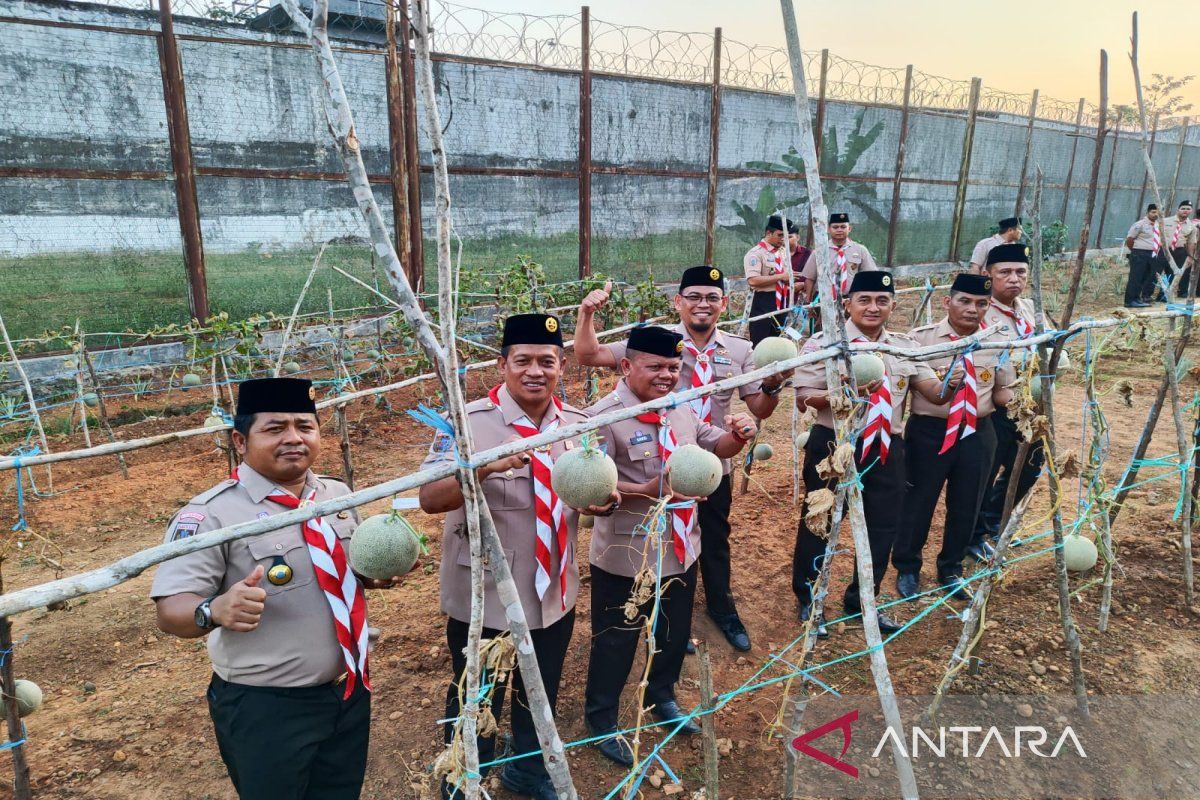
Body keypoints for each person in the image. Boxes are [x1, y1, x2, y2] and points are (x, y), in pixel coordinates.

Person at [151, 377, 403, 800]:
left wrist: (371, 575)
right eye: (274, 428)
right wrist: (213, 610)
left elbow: (341, 570)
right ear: (240, 440)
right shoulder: (210, 515)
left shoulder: (336, 494)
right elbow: (170, 610)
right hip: (266, 708)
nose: (294, 438)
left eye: (305, 426)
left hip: (348, 689)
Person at [418, 313, 617, 800]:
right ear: (502, 364)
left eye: (546, 361)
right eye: (522, 360)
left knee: (541, 689)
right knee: (477, 692)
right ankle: (466, 775)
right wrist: (483, 467)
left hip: (554, 588)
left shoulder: (579, 424)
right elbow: (430, 497)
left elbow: (585, 490)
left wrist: (600, 500)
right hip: (485, 592)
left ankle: (527, 770)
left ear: (561, 365)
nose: (535, 370)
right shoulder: (468, 424)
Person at [575, 266, 791, 652]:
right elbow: (589, 354)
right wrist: (587, 313)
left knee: (712, 539)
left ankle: (721, 610)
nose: (702, 304)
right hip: (650, 462)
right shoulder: (657, 342)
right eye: (693, 296)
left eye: (711, 297)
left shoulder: (740, 350)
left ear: (725, 303)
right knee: (653, 540)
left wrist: (772, 387)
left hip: (711, 462)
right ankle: (669, 619)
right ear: (678, 302)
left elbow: (760, 405)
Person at [582, 325, 756, 767]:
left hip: (682, 546)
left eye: (674, 368)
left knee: (672, 633)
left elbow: (713, 444)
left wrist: (738, 434)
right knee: (616, 639)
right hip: (625, 553)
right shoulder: (601, 417)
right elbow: (591, 483)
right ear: (626, 366)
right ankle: (601, 717)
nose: (667, 376)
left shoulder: (679, 407)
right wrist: (648, 487)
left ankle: (662, 696)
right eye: (656, 367)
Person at [792, 271, 944, 636]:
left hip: (887, 445)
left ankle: (863, 600)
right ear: (848, 304)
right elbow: (802, 398)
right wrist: (841, 395)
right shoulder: (824, 343)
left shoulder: (904, 346)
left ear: (893, 305)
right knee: (820, 519)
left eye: (882, 301)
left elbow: (935, 393)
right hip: (833, 441)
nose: (873, 307)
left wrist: (955, 377)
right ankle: (810, 599)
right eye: (865, 300)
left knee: (884, 524)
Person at [892, 274, 1014, 602]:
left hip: (978, 431)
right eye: (965, 301)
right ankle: (907, 566)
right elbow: (919, 390)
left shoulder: (997, 340)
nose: (973, 310)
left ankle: (951, 568)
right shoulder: (922, 340)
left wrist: (1023, 397)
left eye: (981, 304)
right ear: (948, 302)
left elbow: (1001, 391)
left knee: (967, 503)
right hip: (930, 433)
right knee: (918, 502)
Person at [971, 242, 1046, 557]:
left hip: (1029, 407)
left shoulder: (1028, 308)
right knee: (984, 474)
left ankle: (993, 522)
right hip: (994, 406)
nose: (1014, 278)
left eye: (1020, 272)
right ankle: (973, 537)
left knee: (1030, 466)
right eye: (1005, 272)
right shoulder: (979, 312)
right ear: (989, 274)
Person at [799, 212, 879, 302]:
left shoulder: (860, 250)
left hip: (851, 298)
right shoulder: (819, 251)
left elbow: (870, 276)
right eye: (835, 227)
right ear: (829, 229)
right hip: (823, 299)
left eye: (843, 227)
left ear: (849, 229)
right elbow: (810, 278)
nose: (839, 230)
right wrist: (808, 301)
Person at [743, 215, 798, 344]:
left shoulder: (782, 252)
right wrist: (780, 277)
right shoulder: (756, 253)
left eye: (786, 236)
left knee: (778, 340)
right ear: (769, 233)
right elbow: (753, 281)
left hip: (782, 299)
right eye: (780, 235)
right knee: (761, 340)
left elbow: (783, 274)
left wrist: (789, 280)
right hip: (764, 301)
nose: (783, 239)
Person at [1124, 204, 1163, 308]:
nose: (1155, 214)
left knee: (1144, 277)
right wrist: (1135, 250)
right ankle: (1129, 301)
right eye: (1153, 212)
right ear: (1148, 212)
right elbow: (1130, 239)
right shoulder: (1140, 224)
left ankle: (1137, 299)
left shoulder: (1158, 225)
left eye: (1157, 212)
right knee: (1135, 277)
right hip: (1139, 253)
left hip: (1153, 254)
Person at [1163, 201, 1197, 299]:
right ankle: (1152, 295)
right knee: (1160, 272)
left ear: (1191, 211)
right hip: (1164, 250)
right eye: (1183, 208)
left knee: (1176, 273)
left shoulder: (1191, 226)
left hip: (1179, 251)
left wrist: (1190, 257)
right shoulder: (1165, 221)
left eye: (1188, 209)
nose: (1185, 211)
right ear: (1178, 210)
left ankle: (1168, 295)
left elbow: (1191, 243)